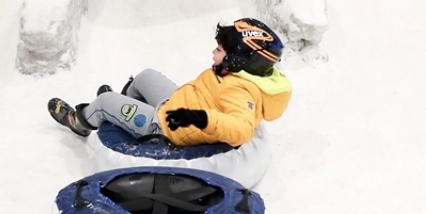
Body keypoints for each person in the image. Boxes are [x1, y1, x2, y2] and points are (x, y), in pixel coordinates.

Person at [47, 18, 292, 148]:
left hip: (165, 125)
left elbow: (241, 130)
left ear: (237, 60)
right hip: (176, 102)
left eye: (219, 50)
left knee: (103, 102)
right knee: (145, 76)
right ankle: (123, 109)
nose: (213, 53)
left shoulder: (241, 91)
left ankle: (81, 120)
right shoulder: (239, 76)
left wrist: (199, 118)